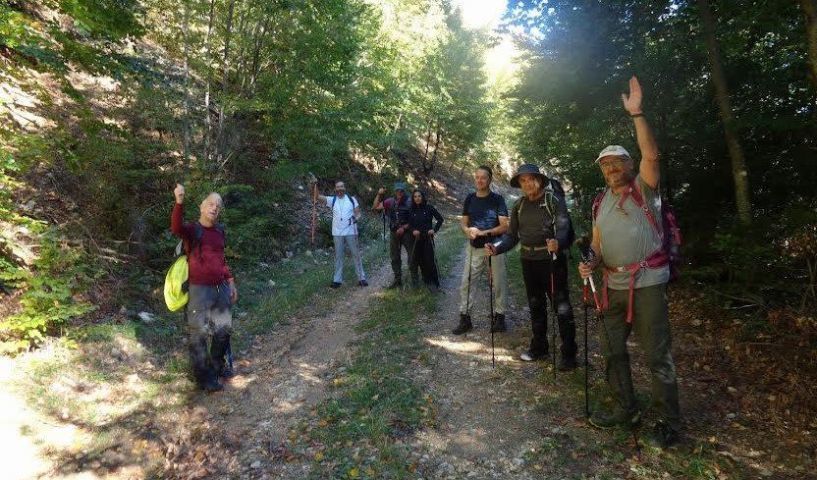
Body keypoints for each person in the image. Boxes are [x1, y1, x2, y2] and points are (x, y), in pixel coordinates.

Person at [577, 76, 681, 447]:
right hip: (613, 288)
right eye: (605, 166)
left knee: (656, 354)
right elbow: (597, 245)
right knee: (612, 350)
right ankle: (627, 407)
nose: (611, 169)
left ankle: (671, 422)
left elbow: (652, 155)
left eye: (617, 162)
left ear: (629, 163)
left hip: (648, 283)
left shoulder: (644, 187)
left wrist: (636, 113)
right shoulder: (599, 202)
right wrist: (589, 261)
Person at [487, 164, 578, 369]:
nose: (527, 184)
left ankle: (569, 353)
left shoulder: (552, 201)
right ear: (520, 184)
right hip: (528, 261)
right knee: (536, 306)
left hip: (552, 261)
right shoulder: (519, 205)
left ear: (539, 180)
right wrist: (497, 247)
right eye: (523, 180)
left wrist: (559, 243)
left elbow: (564, 228)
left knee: (561, 307)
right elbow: (511, 236)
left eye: (531, 179)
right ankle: (539, 347)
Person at [170, 183, 237, 393]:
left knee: (223, 330)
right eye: (210, 203)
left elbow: (221, 259)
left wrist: (231, 281)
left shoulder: (220, 231)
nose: (214, 207)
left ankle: (217, 367)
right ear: (201, 207)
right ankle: (203, 378)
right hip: (199, 290)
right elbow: (175, 228)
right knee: (197, 334)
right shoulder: (192, 230)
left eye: (218, 205)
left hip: (221, 288)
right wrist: (179, 201)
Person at [452, 165, 509, 335]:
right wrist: (467, 230)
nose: (479, 180)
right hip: (474, 248)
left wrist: (483, 232)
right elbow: (463, 221)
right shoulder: (470, 198)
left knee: (499, 284)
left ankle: (500, 318)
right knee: (467, 284)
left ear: (490, 180)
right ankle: (465, 318)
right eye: (477, 177)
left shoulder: (498, 199)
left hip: (494, 247)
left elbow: (505, 226)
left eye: (483, 177)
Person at [313, 180, 367, 288]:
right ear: (335, 189)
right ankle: (337, 280)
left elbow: (358, 212)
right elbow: (317, 197)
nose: (340, 189)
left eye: (341, 187)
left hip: (351, 231)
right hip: (337, 233)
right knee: (338, 256)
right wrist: (315, 184)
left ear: (344, 188)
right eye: (338, 187)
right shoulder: (332, 200)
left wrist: (356, 218)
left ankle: (361, 278)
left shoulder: (352, 199)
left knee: (356, 254)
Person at [373, 182, 412, 289]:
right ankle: (397, 279)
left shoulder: (410, 202)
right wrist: (379, 194)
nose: (399, 192)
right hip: (394, 232)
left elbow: (414, 218)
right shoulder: (390, 201)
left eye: (401, 190)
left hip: (407, 233)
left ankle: (413, 278)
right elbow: (376, 207)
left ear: (404, 191)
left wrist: (404, 228)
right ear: (395, 191)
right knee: (394, 256)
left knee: (412, 255)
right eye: (397, 190)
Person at [408, 189, 444, 289]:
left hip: (428, 238)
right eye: (415, 196)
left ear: (422, 197)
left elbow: (440, 219)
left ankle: (435, 281)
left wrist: (434, 230)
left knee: (429, 260)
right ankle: (426, 280)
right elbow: (409, 225)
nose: (417, 198)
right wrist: (413, 231)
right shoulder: (411, 210)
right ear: (413, 198)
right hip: (417, 239)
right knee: (421, 260)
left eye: (419, 196)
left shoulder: (429, 208)